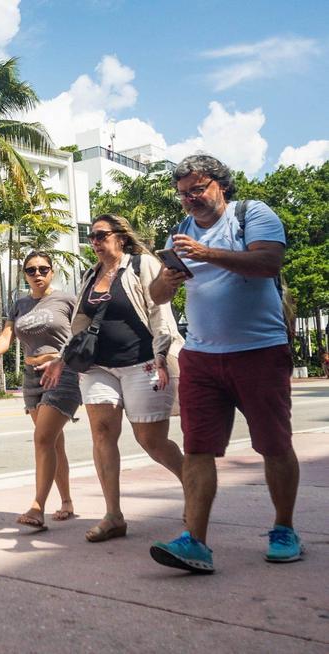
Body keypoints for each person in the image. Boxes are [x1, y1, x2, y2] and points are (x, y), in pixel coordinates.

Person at [148, 155, 302, 573]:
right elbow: (158, 294)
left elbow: (268, 262)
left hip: (259, 351)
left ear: (221, 184)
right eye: (183, 193)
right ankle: (195, 542)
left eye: (197, 189)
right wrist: (167, 280)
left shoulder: (253, 214)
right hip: (201, 355)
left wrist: (207, 254)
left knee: (274, 444)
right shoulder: (179, 232)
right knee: (198, 448)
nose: (190, 200)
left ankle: (284, 528)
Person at [42, 214, 185, 543]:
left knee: (150, 439)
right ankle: (113, 516)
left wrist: (162, 355)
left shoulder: (142, 265)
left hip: (142, 362)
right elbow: (81, 323)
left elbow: (159, 311)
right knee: (102, 433)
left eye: (100, 235)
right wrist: (63, 359)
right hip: (98, 367)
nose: (94, 241)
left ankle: (192, 487)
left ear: (120, 237)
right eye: (91, 237)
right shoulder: (90, 274)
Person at [0, 252, 80, 529]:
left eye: (43, 269)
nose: (38, 274)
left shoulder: (67, 300)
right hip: (31, 378)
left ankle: (37, 508)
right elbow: (6, 337)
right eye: (31, 270)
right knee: (53, 442)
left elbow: (83, 334)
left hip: (61, 372)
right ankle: (67, 501)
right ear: (25, 274)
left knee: (43, 439)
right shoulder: (20, 304)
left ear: (52, 271)